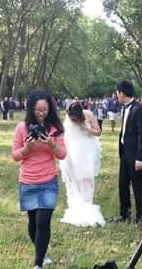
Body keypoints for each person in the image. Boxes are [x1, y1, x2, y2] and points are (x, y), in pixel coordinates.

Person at [12, 89, 66, 269]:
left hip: (48, 180)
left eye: (45, 109)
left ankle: (38, 264)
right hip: (27, 180)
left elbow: (62, 155)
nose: (42, 113)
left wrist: (51, 144)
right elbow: (15, 155)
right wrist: (27, 149)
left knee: (43, 221)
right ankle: (41, 252)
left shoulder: (55, 129)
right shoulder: (21, 128)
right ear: (30, 109)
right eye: (38, 110)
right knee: (33, 223)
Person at [111, 80, 142, 224]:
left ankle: (140, 218)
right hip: (125, 153)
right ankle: (124, 214)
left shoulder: (137, 109)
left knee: (137, 186)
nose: (117, 96)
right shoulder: (125, 108)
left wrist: (140, 158)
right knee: (123, 184)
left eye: (117, 93)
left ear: (122, 93)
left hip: (135, 155)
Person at [59, 102, 105, 227]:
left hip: (87, 151)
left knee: (87, 180)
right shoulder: (68, 120)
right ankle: (77, 204)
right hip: (73, 152)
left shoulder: (88, 115)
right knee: (74, 180)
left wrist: (84, 128)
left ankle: (87, 204)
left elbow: (98, 131)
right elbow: (66, 137)